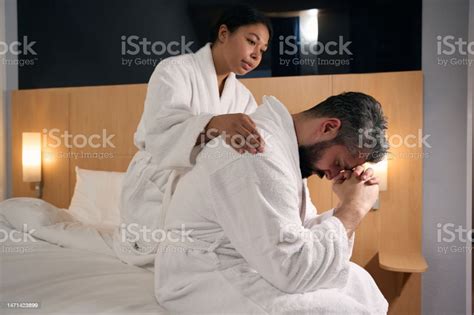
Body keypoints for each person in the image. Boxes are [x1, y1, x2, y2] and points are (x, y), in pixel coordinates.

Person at [154, 92, 389, 314]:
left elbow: (297, 232)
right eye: (339, 162)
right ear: (328, 127)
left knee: (360, 283)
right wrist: (353, 209)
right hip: (204, 274)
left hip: (255, 260)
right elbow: (291, 270)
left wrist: (344, 207)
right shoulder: (256, 148)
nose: (332, 175)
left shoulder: (283, 147)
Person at [114, 5, 272, 265]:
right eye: (251, 42)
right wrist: (215, 123)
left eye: (262, 50)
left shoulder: (243, 98)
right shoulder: (173, 71)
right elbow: (161, 134)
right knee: (168, 258)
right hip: (158, 185)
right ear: (224, 33)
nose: (256, 55)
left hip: (207, 191)